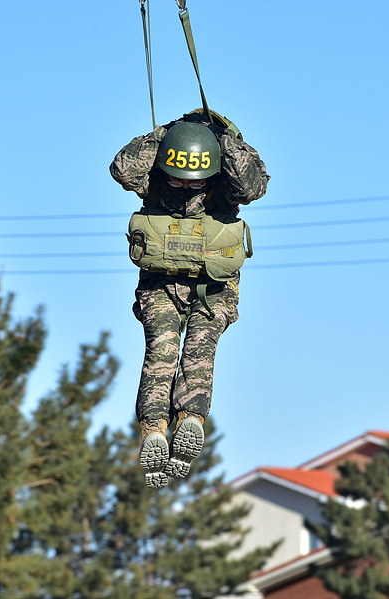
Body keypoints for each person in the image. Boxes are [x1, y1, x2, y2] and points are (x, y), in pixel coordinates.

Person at [110, 111, 269, 488]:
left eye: (191, 181)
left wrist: (225, 140)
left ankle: (190, 419)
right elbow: (122, 170)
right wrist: (163, 135)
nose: (182, 187)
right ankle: (154, 427)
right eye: (175, 179)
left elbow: (252, 188)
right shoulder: (153, 171)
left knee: (200, 348)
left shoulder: (226, 180)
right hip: (159, 285)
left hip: (214, 288)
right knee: (161, 348)